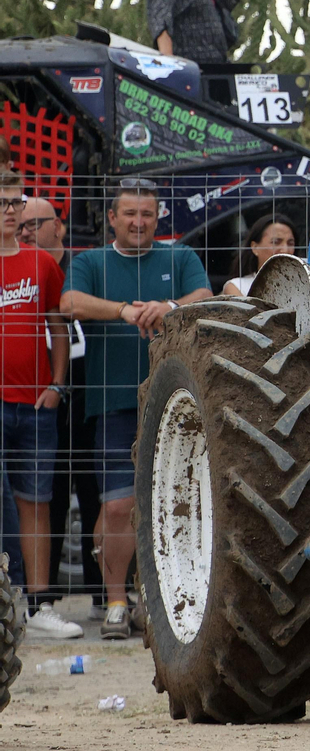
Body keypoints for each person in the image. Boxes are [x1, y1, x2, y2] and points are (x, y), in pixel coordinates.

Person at [60, 178, 211, 639]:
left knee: (167, 503)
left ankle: (153, 598)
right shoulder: (90, 261)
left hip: (176, 403)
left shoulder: (180, 256)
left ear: (159, 216)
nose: (139, 222)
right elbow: (69, 302)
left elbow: (205, 298)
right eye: (130, 213)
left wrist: (169, 307)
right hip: (114, 402)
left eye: (147, 213)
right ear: (112, 218)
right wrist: (125, 311)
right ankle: (116, 602)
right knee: (118, 506)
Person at [18, 197, 102, 621]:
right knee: (43, 496)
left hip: (88, 392)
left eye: (36, 223)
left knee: (96, 492)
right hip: (38, 394)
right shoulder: (19, 267)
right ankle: (42, 600)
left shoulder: (82, 267)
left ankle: (104, 595)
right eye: (22, 225)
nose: (27, 231)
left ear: (60, 227)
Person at [0, 174, 76, 638]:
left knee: (36, 501)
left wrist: (57, 385)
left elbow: (58, 325)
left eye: (16, 202)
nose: (11, 211)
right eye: (2, 202)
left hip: (35, 401)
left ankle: (39, 604)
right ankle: (6, 603)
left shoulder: (42, 263)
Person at [222, 214, 297, 296]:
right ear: (255, 247)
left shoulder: (302, 285)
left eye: (290, 243)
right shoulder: (238, 286)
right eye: (276, 242)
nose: (285, 250)